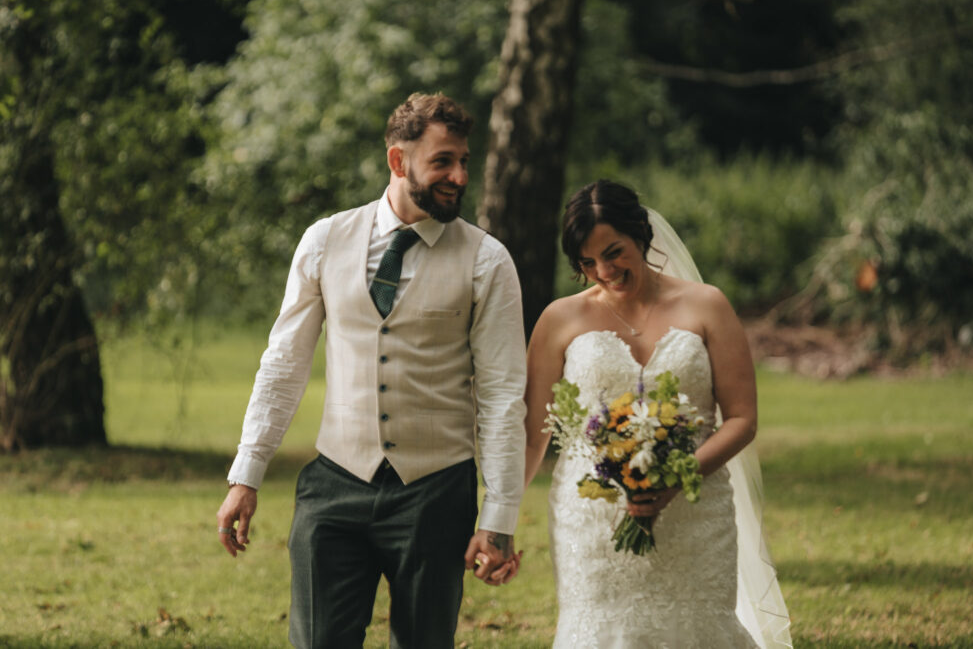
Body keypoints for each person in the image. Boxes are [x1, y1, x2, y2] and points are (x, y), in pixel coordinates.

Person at [216, 92, 527, 648]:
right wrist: (247, 473)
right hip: (335, 484)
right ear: (398, 161)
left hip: (436, 491)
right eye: (441, 162)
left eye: (463, 162)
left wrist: (498, 517)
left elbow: (503, 394)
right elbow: (284, 362)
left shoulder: (487, 261)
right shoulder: (324, 240)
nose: (458, 175)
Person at [524, 180, 791, 648]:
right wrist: (496, 522)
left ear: (641, 236)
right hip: (592, 518)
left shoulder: (707, 305)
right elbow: (532, 436)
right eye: (588, 263)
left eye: (614, 253)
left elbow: (742, 419)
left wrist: (679, 475)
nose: (604, 271)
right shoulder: (559, 320)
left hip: (696, 509)